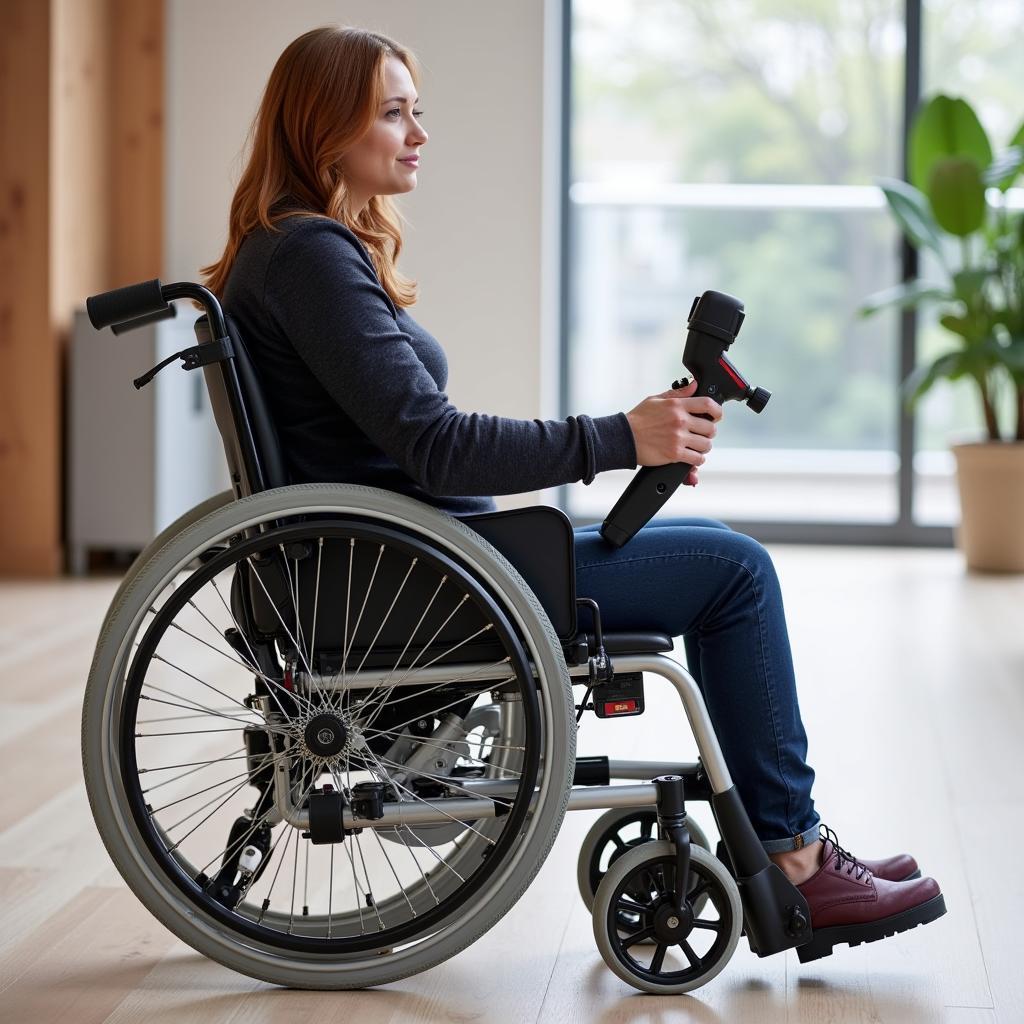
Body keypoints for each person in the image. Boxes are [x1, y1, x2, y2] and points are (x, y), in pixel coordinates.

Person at [202, 25, 945, 952]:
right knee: (734, 571)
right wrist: (618, 437)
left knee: (712, 558)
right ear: (323, 126)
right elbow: (438, 448)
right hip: (433, 587)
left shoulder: (297, 251)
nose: (418, 133)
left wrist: (629, 439)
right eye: (392, 113)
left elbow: (417, 447)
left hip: (422, 571)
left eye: (414, 111)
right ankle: (796, 863)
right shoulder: (310, 256)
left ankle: (789, 845)